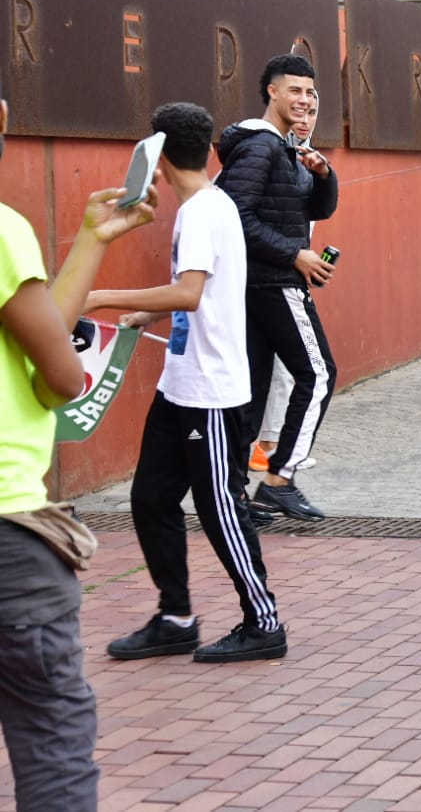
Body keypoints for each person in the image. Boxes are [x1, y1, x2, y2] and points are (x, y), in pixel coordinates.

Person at [86, 104, 286, 664]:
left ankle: (264, 622)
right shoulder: (202, 205)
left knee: (221, 508)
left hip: (212, 394)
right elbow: (196, 293)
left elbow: (189, 292)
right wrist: (144, 316)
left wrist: (100, 297)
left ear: (159, 151)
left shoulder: (202, 211)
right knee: (151, 498)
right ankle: (175, 618)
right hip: (181, 383)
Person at [1, 96, 156, 811]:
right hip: (9, 534)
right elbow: (57, 377)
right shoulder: (2, 230)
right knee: (50, 734)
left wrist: (92, 242)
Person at [215, 54, 339, 522]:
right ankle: (280, 479)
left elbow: (316, 209)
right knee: (319, 374)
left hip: (259, 284)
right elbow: (234, 217)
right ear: (271, 91)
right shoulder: (261, 147)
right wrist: (294, 254)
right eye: (295, 90)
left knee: (252, 389)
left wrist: (325, 176)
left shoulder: (285, 149)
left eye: (309, 92)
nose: (304, 99)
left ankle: (233, 493)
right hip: (273, 282)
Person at [250, 92, 321, 477]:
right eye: (301, 111)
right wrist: (293, 257)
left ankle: (273, 449)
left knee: (286, 369)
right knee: (307, 370)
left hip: (292, 278)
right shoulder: (261, 156)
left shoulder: (309, 164)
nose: (306, 120)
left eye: (313, 112)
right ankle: (273, 452)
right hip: (269, 281)